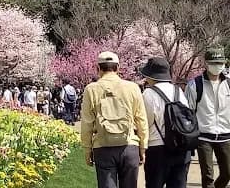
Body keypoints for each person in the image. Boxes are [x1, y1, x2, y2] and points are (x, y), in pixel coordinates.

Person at [81, 51, 148, 188]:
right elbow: (141, 120)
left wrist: (87, 149)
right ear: (118, 68)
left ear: (97, 68)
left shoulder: (91, 89)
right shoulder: (133, 87)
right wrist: (143, 147)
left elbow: (87, 123)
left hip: (103, 146)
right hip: (129, 145)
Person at [142, 57, 192, 188]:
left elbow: (145, 123)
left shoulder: (148, 93)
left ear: (151, 76)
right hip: (180, 147)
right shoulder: (178, 91)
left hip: (157, 148)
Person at [187, 49, 230, 188]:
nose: (217, 66)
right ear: (206, 64)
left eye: (220, 63)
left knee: (228, 172)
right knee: (207, 176)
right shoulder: (195, 85)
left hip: (226, 135)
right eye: (213, 63)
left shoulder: (228, 84)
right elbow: (189, 111)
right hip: (204, 136)